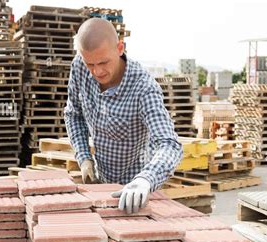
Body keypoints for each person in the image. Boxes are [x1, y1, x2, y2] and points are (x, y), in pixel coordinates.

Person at [64, 18, 183, 214]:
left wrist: (146, 180)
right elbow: (73, 114)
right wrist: (84, 158)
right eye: (90, 64)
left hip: (135, 192)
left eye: (103, 62)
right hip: (100, 186)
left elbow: (169, 144)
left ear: (120, 48)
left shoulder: (143, 88)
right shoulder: (79, 67)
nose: (97, 71)